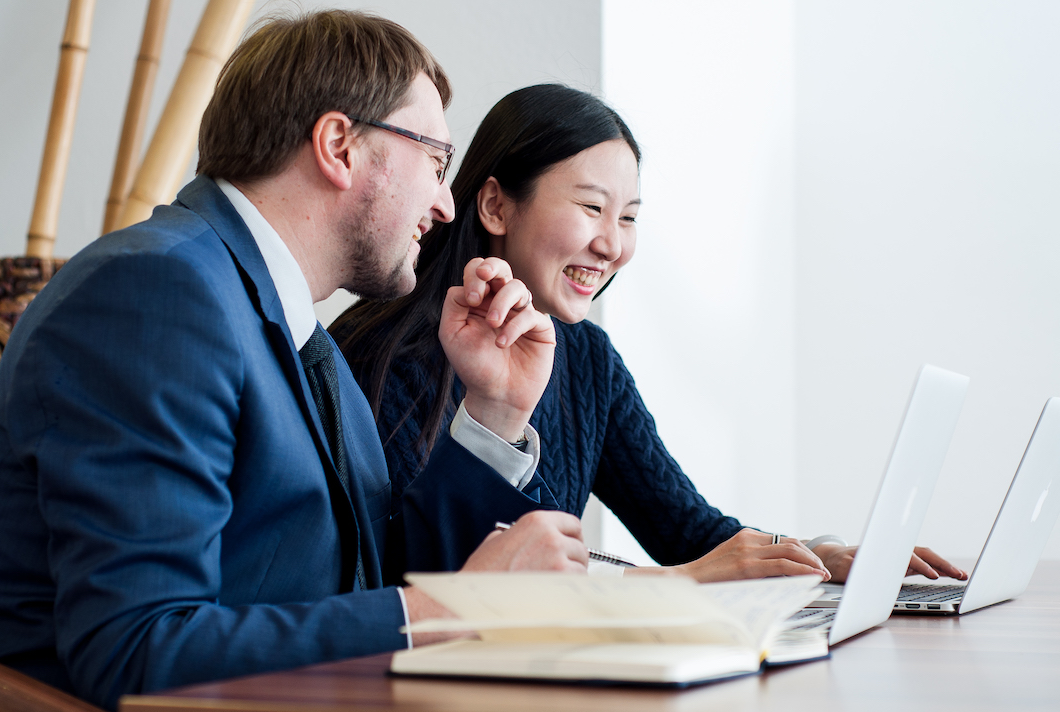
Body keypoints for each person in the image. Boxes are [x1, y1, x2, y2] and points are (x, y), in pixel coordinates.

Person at [0, 12, 589, 709]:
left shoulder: (303, 339)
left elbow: (376, 593)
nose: (446, 204)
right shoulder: (154, 294)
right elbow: (137, 650)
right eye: (434, 160)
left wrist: (493, 411)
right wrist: (450, 611)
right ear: (339, 145)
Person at [331, 84, 969, 585]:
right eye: (591, 208)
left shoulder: (586, 359)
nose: (612, 245)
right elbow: (416, 581)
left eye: (629, 218)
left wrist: (818, 557)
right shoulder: (390, 353)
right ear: (496, 205)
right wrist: (681, 583)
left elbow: (689, 533)